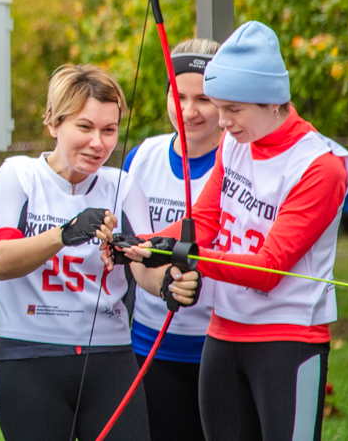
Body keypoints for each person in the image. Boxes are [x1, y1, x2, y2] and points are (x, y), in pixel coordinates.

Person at [123, 21, 348, 441]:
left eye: (233, 109)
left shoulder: (320, 166)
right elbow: (205, 223)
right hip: (223, 333)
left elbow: (268, 269)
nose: (222, 122)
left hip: (287, 340)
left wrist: (182, 255)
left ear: (272, 101)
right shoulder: (237, 141)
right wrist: (141, 246)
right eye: (220, 106)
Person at [0, 65, 198, 441]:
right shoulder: (18, 175)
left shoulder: (123, 185)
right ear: (53, 123)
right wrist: (65, 234)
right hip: (31, 358)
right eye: (84, 127)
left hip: (109, 359)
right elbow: (1, 260)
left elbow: (142, 267)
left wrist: (169, 283)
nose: (98, 143)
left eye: (109, 130)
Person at [121, 39, 221, 441]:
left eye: (204, 98)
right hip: (150, 348)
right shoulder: (142, 157)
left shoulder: (244, 161)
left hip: (220, 350)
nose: (189, 110)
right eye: (178, 95)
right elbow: (132, 248)